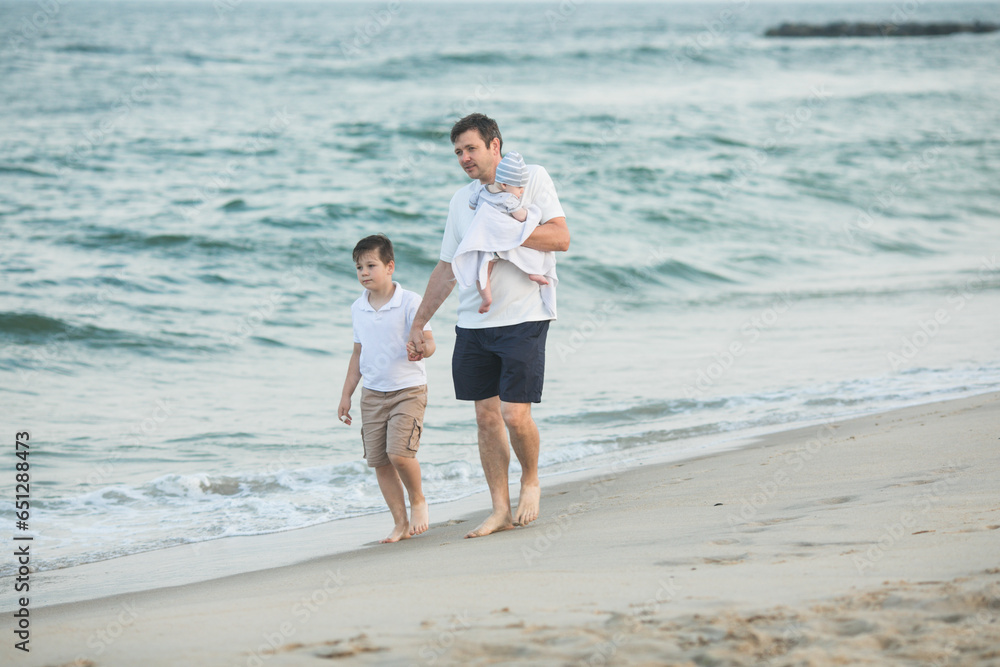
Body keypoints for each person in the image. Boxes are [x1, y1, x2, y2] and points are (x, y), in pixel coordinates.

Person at [407, 113, 570, 539]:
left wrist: (505, 229)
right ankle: (499, 508)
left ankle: (530, 481)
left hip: (524, 316)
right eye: (458, 151)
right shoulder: (461, 201)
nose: (464, 157)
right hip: (473, 322)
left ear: (494, 145)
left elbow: (560, 238)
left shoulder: (532, 178)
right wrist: (419, 322)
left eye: (471, 148)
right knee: (485, 419)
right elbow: (446, 268)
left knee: (515, 416)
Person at [339, 234, 435, 543]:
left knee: (399, 454)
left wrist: (421, 349)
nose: (364, 272)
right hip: (372, 394)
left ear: (390, 266)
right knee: (379, 460)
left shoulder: (409, 301)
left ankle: (418, 500)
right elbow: (358, 353)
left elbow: (430, 343)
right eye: (358, 267)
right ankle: (400, 523)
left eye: (371, 265)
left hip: (408, 390)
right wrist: (346, 395)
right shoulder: (358, 308)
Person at [460, 150, 557, 314]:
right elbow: (520, 217)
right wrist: (531, 214)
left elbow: (471, 204)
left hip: (486, 244)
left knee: (482, 271)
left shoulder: (482, 191)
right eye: (519, 188)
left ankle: (486, 297)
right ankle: (535, 273)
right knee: (525, 252)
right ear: (504, 185)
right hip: (503, 243)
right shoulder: (509, 199)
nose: (521, 191)